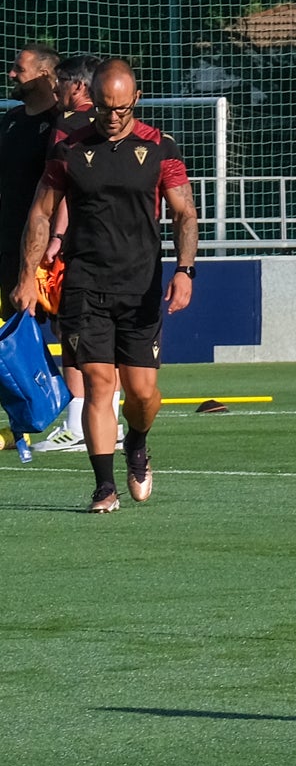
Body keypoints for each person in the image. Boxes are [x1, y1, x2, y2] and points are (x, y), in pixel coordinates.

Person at [11, 57, 194, 513]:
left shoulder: (160, 147)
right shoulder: (68, 148)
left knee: (143, 393)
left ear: (136, 97)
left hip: (141, 285)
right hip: (84, 284)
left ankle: (137, 440)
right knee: (97, 383)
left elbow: (184, 213)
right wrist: (26, 277)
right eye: (104, 108)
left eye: (120, 108)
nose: (112, 117)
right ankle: (103, 486)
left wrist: (185, 270)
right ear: (93, 98)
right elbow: (40, 212)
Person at [1, 45, 83, 454]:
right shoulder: (11, 121)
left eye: (19, 69)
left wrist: (54, 241)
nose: (12, 75)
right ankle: (21, 425)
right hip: (7, 247)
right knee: (7, 338)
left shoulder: (62, 125)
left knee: (71, 333)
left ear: (47, 77)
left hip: (51, 253)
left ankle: (82, 421)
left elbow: (63, 191)